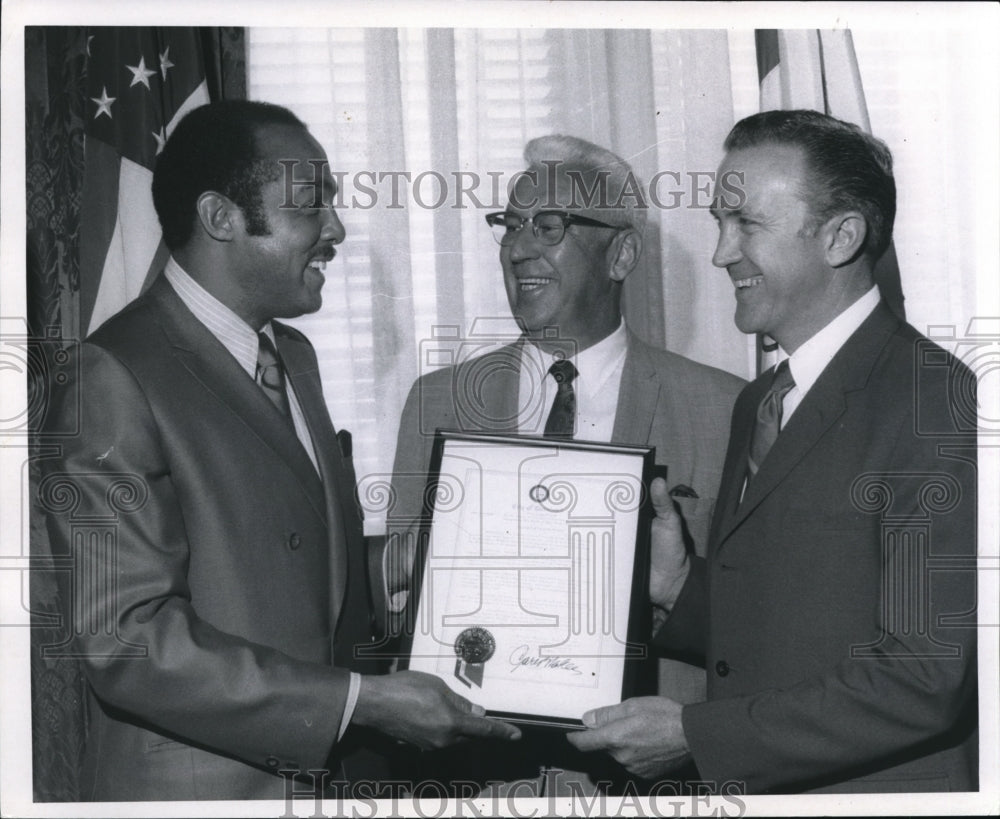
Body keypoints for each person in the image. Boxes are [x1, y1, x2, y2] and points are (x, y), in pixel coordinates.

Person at [38, 99, 519, 802]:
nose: (337, 227)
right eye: (310, 203)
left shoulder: (290, 356)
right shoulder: (112, 373)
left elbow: (292, 565)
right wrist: (362, 701)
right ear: (220, 217)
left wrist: (417, 558)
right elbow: (126, 639)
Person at [568, 110, 978, 794]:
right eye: (719, 223)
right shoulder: (757, 402)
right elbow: (791, 631)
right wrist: (678, 587)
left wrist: (697, 735)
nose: (722, 252)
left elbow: (923, 678)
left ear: (842, 236)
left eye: (746, 223)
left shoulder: (938, 402)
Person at [387, 134, 744, 792]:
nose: (519, 247)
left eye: (549, 226)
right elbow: (393, 607)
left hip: (653, 789)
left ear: (622, 253)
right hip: (477, 783)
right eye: (510, 225)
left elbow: (759, 625)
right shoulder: (435, 401)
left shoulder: (725, 409)